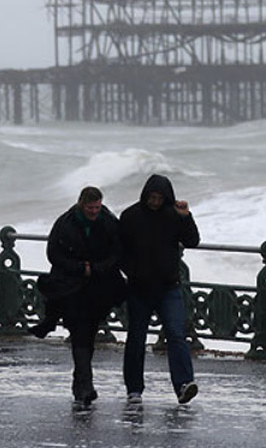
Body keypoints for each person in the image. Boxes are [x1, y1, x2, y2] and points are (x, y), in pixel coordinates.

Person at [39, 186, 125, 406]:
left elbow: (118, 253)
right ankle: (85, 386)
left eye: (97, 207)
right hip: (71, 286)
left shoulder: (108, 222)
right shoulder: (65, 223)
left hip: (99, 287)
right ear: (81, 204)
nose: (94, 211)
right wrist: (79, 268)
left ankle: (81, 383)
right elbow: (53, 253)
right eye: (90, 208)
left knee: (89, 332)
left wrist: (95, 268)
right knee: (79, 331)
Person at [119, 174, 201, 404]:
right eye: (152, 198)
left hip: (168, 286)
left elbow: (192, 240)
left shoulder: (174, 215)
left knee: (176, 334)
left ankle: (184, 384)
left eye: (159, 198)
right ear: (145, 195)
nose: (155, 202)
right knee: (136, 338)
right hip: (139, 288)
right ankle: (134, 389)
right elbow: (120, 249)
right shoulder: (131, 216)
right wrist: (132, 272)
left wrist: (186, 217)